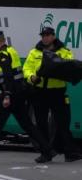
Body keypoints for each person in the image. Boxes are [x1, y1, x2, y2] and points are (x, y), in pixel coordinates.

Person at [0, 31, 56, 164]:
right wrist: (4, 91)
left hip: (11, 95)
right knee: (27, 125)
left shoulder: (3, 55)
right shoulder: (11, 50)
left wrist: (6, 95)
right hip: (17, 93)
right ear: (4, 39)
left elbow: (8, 76)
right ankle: (48, 149)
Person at [23, 26, 82, 162]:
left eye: (48, 35)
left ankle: (70, 152)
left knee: (63, 122)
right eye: (43, 35)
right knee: (42, 123)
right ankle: (46, 153)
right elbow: (26, 69)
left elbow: (70, 67)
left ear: (53, 37)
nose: (45, 37)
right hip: (40, 92)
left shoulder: (65, 52)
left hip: (58, 92)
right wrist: (31, 77)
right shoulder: (34, 52)